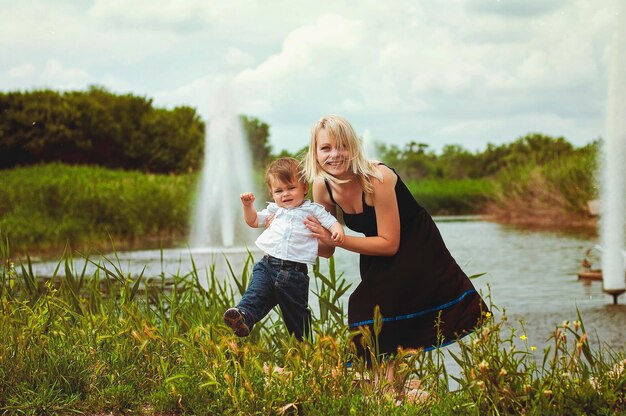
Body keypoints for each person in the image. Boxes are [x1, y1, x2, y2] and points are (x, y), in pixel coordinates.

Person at [303, 115, 488, 360]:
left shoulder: (377, 177)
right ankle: (390, 385)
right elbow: (327, 250)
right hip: (373, 247)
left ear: (354, 147)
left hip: (415, 243)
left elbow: (390, 244)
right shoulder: (322, 187)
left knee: (364, 306)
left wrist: (340, 239)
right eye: (326, 148)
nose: (335, 154)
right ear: (315, 153)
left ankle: (386, 385)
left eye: (343, 146)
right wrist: (298, 231)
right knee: (380, 313)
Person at [223, 157, 345, 341]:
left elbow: (331, 221)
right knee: (255, 294)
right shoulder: (274, 211)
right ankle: (244, 317)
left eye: (291, 188)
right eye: (279, 190)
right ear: (272, 194)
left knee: (296, 316)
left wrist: (337, 232)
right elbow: (253, 221)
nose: (285, 194)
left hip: (294, 273)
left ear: (304, 188)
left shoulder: (313, 210)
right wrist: (247, 206)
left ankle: (303, 351)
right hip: (267, 265)